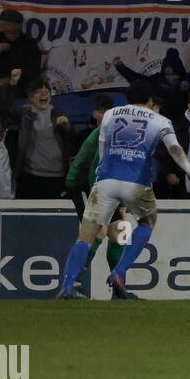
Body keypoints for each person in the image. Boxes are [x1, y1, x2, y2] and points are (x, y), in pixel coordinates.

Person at [55, 80, 190, 300]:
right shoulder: (160, 119)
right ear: (150, 100)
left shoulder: (110, 114)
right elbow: (174, 148)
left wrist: (101, 173)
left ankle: (67, 285)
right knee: (147, 223)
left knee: (85, 237)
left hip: (105, 180)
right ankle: (118, 273)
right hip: (136, 182)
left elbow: (103, 143)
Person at [62, 95, 127, 297]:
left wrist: (122, 203)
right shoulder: (102, 135)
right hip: (83, 185)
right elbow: (91, 169)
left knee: (120, 232)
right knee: (96, 231)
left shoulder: (129, 140)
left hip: (109, 189)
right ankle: (73, 283)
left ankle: (118, 286)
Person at [5, 76, 76, 199]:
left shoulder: (58, 113)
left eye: (46, 91)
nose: (43, 93)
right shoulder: (25, 114)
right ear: (31, 97)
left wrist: (67, 127)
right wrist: (12, 85)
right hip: (31, 176)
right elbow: (7, 108)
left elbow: (73, 140)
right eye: (38, 91)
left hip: (57, 178)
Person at [0, 10, 41, 97]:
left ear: (21, 26)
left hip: (21, 83)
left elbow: (34, 70)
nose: (12, 28)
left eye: (16, 25)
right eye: (8, 25)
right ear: (2, 26)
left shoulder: (29, 44)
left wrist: (12, 80)